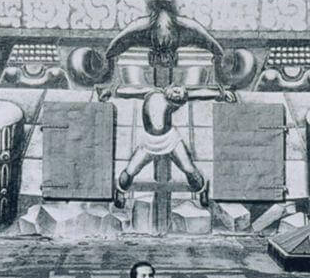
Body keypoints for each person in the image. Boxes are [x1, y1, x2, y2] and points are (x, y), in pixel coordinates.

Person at [98, 84, 236, 208]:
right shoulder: (151, 91)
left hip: (171, 140)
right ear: (170, 86)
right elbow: (128, 91)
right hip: (148, 142)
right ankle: (120, 191)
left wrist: (222, 94)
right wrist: (109, 90)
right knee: (130, 170)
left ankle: (202, 190)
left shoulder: (178, 98)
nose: (176, 93)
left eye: (179, 95)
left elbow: (201, 93)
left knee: (189, 169)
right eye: (176, 91)